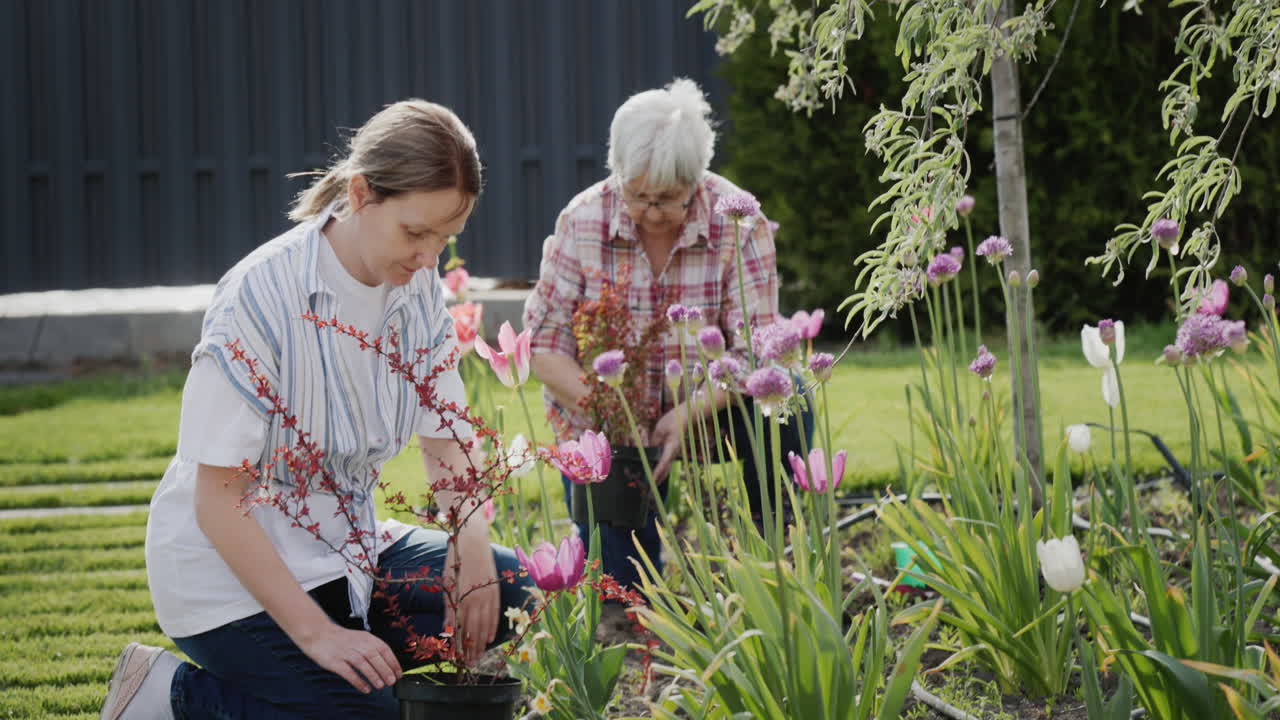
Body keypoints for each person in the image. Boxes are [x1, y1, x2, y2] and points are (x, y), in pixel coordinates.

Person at [100, 100, 532, 720]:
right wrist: (317, 636)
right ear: (360, 195)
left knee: (510, 590)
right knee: (373, 715)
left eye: (445, 237)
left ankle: (325, 683)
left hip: (344, 554)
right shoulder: (260, 297)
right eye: (416, 232)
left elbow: (445, 438)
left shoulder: (415, 293)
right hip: (228, 582)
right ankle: (168, 697)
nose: (429, 257)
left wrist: (472, 539)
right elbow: (217, 499)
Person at [523, 78, 813, 593]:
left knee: (793, 399)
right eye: (638, 197)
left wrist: (688, 413)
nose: (653, 213)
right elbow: (544, 345)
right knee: (621, 591)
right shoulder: (581, 220)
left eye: (669, 199)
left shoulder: (740, 222)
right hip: (607, 417)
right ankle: (635, 585)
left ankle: (773, 565)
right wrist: (612, 411)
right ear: (616, 175)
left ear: (696, 182)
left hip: (710, 411)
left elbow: (756, 349)